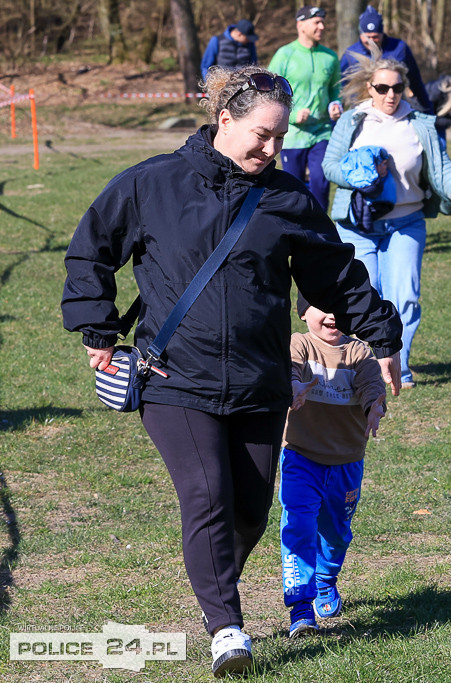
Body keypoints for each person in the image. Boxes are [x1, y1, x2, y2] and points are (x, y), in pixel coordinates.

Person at [60, 65, 402, 677]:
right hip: (174, 379)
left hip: (259, 382)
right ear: (225, 120)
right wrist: (97, 327)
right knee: (208, 494)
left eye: (280, 137)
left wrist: (382, 334)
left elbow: (335, 276)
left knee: (249, 510)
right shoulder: (151, 184)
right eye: (261, 135)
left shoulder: (288, 197)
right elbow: (91, 250)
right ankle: (227, 627)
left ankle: (213, 582)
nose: (271, 149)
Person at [324, 55, 451, 389]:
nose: (390, 94)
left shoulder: (420, 123)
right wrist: (363, 175)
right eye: (382, 88)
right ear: (370, 88)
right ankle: (363, 367)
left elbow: (442, 169)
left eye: (397, 87)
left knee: (404, 296)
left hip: (406, 222)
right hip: (358, 226)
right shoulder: (352, 120)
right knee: (363, 296)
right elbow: (329, 166)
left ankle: (399, 367)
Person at [279, 294, 388, 638]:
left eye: (338, 308)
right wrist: (292, 385)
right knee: (298, 524)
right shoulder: (299, 344)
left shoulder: (358, 352)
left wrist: (374, 405)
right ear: (303, 312)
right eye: (321, 307)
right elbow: (289, 367)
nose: (331, 315)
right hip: (300, 455)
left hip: (346, 461)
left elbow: (371, 383)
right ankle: (300, 606)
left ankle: (326, 578)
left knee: (336, 531)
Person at [267, 5, 343, 210]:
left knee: (321, 184)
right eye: (317, 22)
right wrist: (292, 116)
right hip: (292, 133)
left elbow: (335, 91)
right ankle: (294, 227)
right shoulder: (284, 55)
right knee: (293, 189)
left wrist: (336, 105)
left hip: (322, 132)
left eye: (323, 22)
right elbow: (270, 92)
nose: (322, 27)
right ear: (301, 25)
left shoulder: (330, 57)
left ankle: (319, 227)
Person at [339, 5, 433, 114]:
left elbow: (416, 82)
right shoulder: (351, 54)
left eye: (375, 37)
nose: (371, 41)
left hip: (394, 108)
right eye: (367, 37)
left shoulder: (399, 48)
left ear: (382, 32)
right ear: (360, 33)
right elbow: (340, 87)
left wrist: (428, 110)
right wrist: (337, 110)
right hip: (362, 110)